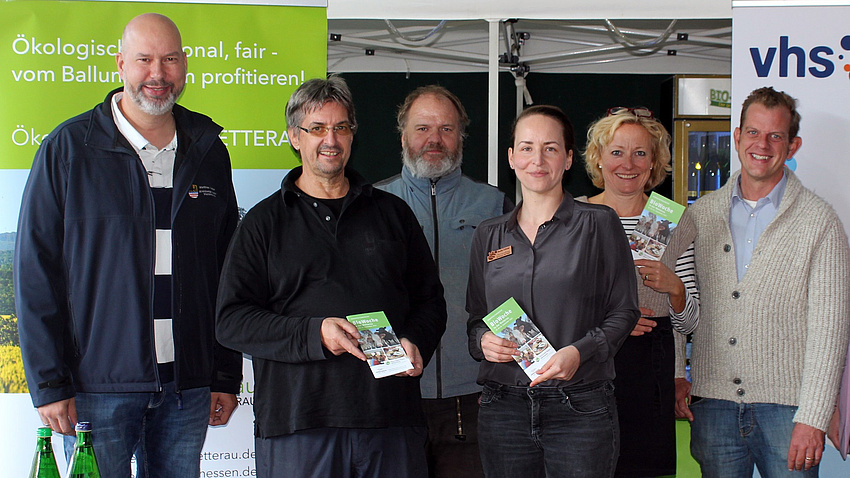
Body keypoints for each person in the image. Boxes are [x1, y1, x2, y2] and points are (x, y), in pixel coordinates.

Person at [14, 13, 242, 477]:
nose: (158, 74)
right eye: (144, 59)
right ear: (120, 64)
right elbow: (35, 274)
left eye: (170, 59)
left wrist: (223, 373)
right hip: (97, 390)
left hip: (189, 388)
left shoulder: (208, 150)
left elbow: (227, 274)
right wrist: (49, 383)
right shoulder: (68, 149)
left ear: (184, 65)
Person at [215, 76, 447, 478]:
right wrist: (314, 334)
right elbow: (231, 321)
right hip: (299, 425)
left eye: (341, 127)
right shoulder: (262, 223)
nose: (331, 140)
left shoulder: (393, 214)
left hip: (390, 421)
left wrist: (415, 341)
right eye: (317, 128)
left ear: (353, 135)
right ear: (294, 137)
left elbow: (430, 301)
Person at [681, 86, 850, 477]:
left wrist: (814, 416)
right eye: (753, 133)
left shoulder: (820, 222)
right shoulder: (701, 216)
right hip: (714, 407)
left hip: (790, 413)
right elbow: (679, 297)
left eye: (776, 136)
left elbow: (831, 329)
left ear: (792, 146)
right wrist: (678, 373)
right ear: (737, 137)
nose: (763, 144)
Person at [466, 105, 640, 478]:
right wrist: (482, 341)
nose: (537, 159)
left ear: (567, 159)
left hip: (579, 405)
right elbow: (475, 318)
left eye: (550, 148)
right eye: (526, 148)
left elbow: (625, 311)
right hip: (504, 408)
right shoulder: (488, 234)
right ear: (511, 158)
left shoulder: (599, 224)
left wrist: (580, 352)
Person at [375, 85, 512, 478]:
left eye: (446, 129)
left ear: (461, 137)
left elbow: (513, 294)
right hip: (393, 399)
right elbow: (356, 297)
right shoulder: (372, 204)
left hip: (473, 399)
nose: (434, 139)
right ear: (403, 137)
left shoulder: (495, 206)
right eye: (422, 128)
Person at [581, 107, 700, 477]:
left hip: (650, 367)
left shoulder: (671, 218)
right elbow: (553, 304)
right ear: (598, 159)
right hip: (588, 358)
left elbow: (691, 320)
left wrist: (676, 289)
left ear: (654, 163)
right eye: (616, 152)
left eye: (640, 153)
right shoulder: (573, 216)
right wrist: (612, 323)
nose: (627, 163)